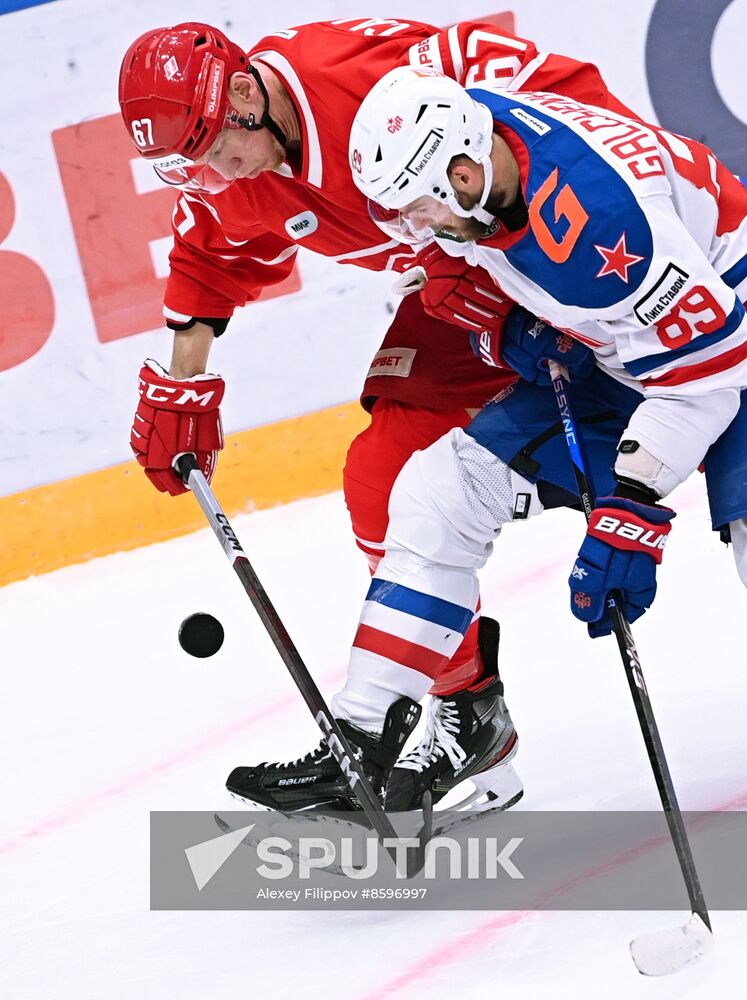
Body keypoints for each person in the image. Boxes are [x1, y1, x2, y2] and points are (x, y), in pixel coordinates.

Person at [118, 18, 635, 814]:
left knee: (692, 416)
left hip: (556, 243)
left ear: (248, 93)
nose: (211, 172)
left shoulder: (364, 81)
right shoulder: (232, 168)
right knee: (381, 476)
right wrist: (181, 377)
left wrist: (546, 238)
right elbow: (214, 253)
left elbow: (563, 99)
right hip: (460, 288)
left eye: (215, 145)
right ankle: (470, 718)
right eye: (189, 160)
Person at [334, 66, 747, 807]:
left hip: (726, 343)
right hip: (632, 346)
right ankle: (359, 740)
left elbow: (703, 379)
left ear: (461, 174)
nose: (421, 228)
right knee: (439, 493)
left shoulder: (601, 225)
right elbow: (484, 246)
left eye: (425, 209)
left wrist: (634, 507)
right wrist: (509, 320)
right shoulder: (476, 137)